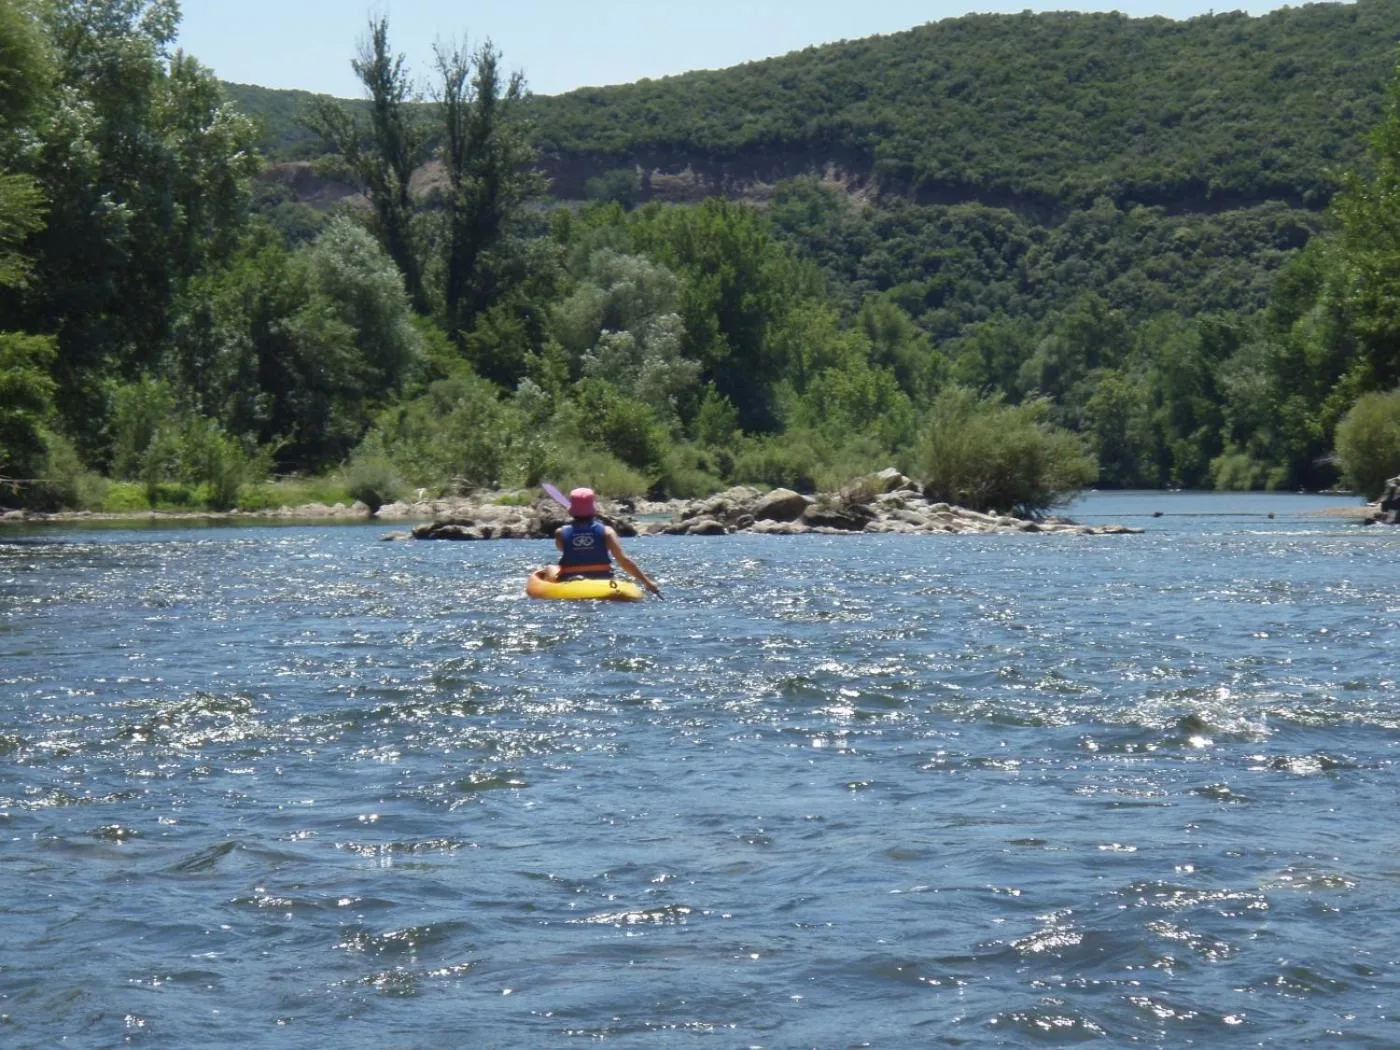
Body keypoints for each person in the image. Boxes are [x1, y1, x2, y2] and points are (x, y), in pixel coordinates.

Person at [551, 487, 663, 597]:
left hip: (571, 580)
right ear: (593, 510)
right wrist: (647, 582)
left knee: (550, 569)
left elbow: (562, 549)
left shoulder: (560, 533)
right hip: (602, 579)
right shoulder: (607, 532)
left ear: (572, 511)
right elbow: (623, 560)